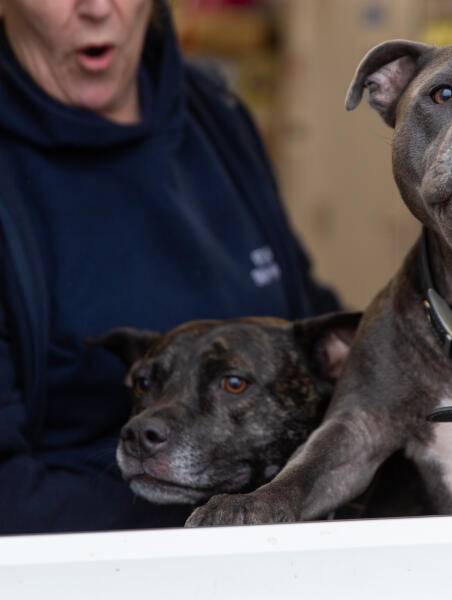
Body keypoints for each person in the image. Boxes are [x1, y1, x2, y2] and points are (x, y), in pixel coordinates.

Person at [0, 0, 337, 535]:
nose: (94, 8)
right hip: (81, 562)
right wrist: (227, 524)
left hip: (280, 546)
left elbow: (310, 315)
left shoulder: (214, 112)